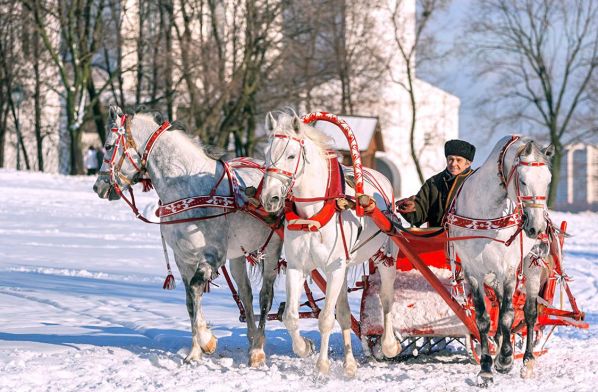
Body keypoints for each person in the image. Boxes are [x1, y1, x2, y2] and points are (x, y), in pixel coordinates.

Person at [395, 139, 476, 227]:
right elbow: (421, 211)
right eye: (450, 159)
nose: (453, 164)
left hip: (469, 238)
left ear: (468, 163)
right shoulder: (433, 183)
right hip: (437, 237)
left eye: (458, 160)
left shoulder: (476, 181)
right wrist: (411, 208)